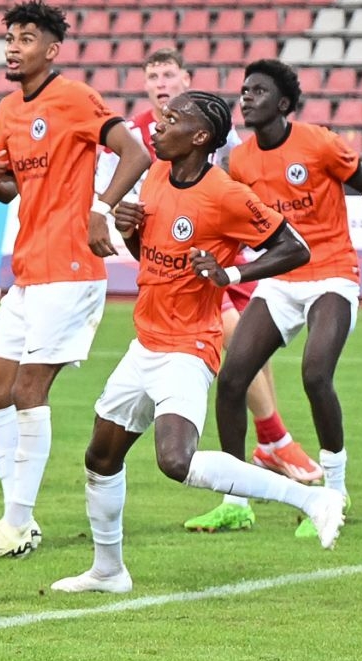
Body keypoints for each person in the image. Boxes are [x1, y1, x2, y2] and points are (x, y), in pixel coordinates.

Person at [53, 93, 348, 594]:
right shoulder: (156, 175)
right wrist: (131, 232)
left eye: (171, 120)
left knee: (176, 461)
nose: (157, 126)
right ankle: (108, 571)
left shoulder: (225, 194)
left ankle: (314, 499)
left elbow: (294, 248)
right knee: (100, 458)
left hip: (188, 348)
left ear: (200, 137)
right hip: (144, 343)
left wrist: (231, 273)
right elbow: (152, 258)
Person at [0, 1, 150, 560]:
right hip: (29, 269)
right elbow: (12, 189)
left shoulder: (76, 97)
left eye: (26, 38)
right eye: (10, 38)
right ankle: (16, 516)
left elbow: (135, 152)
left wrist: (101, 208)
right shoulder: (9, 109)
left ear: (51, 50)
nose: (14, 48)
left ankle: (15, 524)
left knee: (27, 390)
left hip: (70, 269)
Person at [196, 59, 362, 537]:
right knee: (232, 379)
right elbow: (234, 219)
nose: (247, 97)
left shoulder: (319, 143)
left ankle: (334, 492)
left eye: (258, 91)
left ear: (284, 104)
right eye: (244, 90)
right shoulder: (241, 160)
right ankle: (235, 499)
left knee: (315, 374)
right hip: (281, 282)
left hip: (333, 274)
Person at [105, 48, 323, 493]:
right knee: (103, 455)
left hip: (213, 255)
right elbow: (142, 239)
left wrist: (231, 255)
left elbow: (241, 185)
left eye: (168, 75)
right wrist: (124, 227)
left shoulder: (215, 149)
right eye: (153, 76)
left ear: (185, 79)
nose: (161, 84)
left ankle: (276, 441)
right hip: (162, 281)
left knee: (236, 346)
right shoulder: (146, 147)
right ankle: (272, 441)